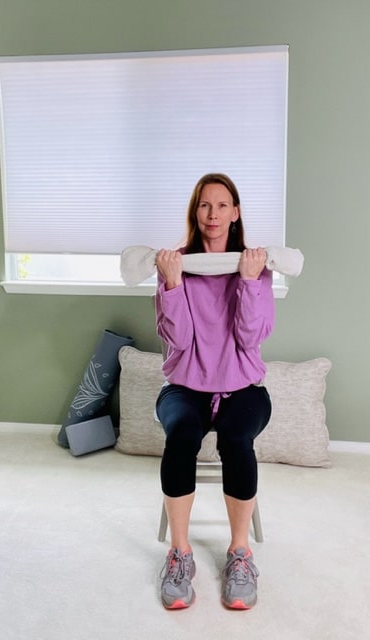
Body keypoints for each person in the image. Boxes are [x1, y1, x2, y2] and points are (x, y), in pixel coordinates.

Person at [155, 173, 275, 610]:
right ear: (195, 212)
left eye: (222, 205)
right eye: (205, 205)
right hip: (184, 388)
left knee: (236, 440)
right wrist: (172, 285)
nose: (213, 214)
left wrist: (247, 281)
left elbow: (250, 337)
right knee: (182, 435)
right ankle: (179, 554)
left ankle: (240, 554)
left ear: (236, 213)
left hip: (243, 388)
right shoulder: (176, 264)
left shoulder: (256, 267)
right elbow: (180, 341)